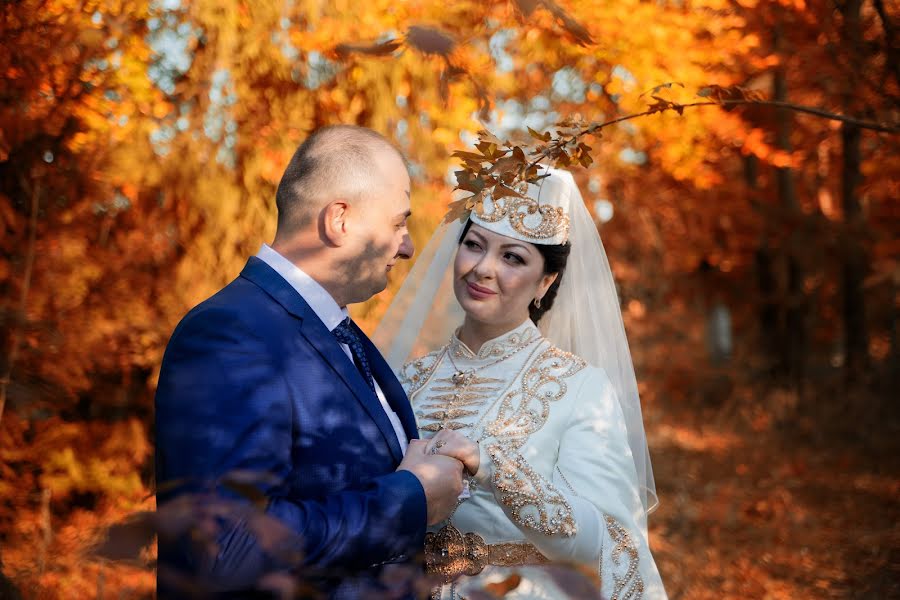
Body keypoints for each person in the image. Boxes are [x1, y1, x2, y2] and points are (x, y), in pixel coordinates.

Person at [154, 125, 465, 598]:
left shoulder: (338, 333)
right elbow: (226, 548)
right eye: (399, 223)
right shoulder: (231, 334)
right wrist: (410, 498)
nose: (407, 246)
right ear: (339, 220)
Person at [374, 167, 668, 599]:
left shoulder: (578, 386)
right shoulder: (407, 379)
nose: (482, 269)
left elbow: (603, 540)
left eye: (512, 257)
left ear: (545, 282)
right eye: (473, 246)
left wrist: (493, 467)